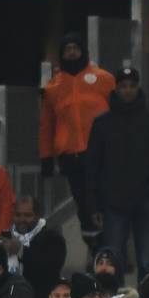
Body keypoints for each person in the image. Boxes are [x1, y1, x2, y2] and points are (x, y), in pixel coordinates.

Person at [85, 67, 149, 276]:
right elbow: (93, 165)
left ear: (138, 87)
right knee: (114, 261)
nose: (128, 90)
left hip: (145, 199)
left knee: (146, 261)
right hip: (113, 201)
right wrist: (94, 204)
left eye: (132, 86)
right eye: (123, 86)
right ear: (116, 89)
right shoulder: (102, 123)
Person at [40, 32, 114, 248]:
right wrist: (46, 157)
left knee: (104, 201)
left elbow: (118, 114)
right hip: (71, 156)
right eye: (67, 49)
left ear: (83, 51)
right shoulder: (53, 87)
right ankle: (95, 249)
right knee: (83, 205)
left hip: (102, 153)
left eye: (75, 47)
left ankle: (112, 249)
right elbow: (47, 125)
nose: (72, 52)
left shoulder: (104, 78)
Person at [3, 196, 66, 298]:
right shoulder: (3, 237)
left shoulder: (53, 239)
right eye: (18, 215)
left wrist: (21, 251)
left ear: (38, 216)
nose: (22, 219)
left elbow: (49, 269)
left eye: (27, 215)